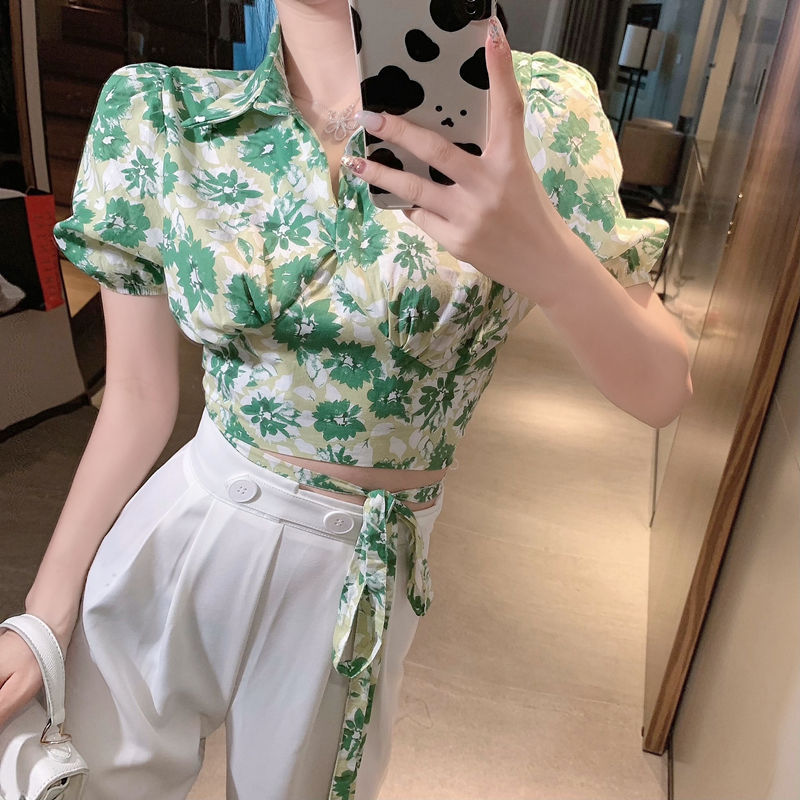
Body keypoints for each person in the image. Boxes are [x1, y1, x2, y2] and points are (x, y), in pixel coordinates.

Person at [0, 1, 693, 798]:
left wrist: (549, 257)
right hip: (184, 534)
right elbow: (135, 399)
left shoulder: (534, 109)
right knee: (81, 783)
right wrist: (44, 615)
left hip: (360, 573)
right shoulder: (162, 112)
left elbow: (662, 391)